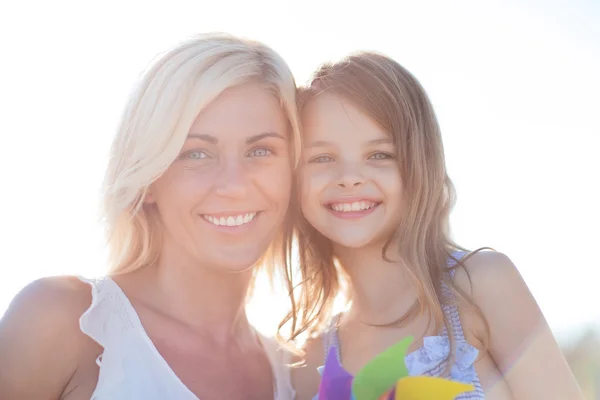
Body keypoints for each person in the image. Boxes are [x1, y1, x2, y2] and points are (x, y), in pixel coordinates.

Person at [0, 32, 300, 400]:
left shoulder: (298, 377)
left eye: (260, 151)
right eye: (196, 153)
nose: (234, 185)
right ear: (149, 179)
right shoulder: (64, 322)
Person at [288, 52, 583, 399]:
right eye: (322, 157)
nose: (350, 178)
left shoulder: (480, 285)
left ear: (418, 164)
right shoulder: (309, 359)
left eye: (380, 154)